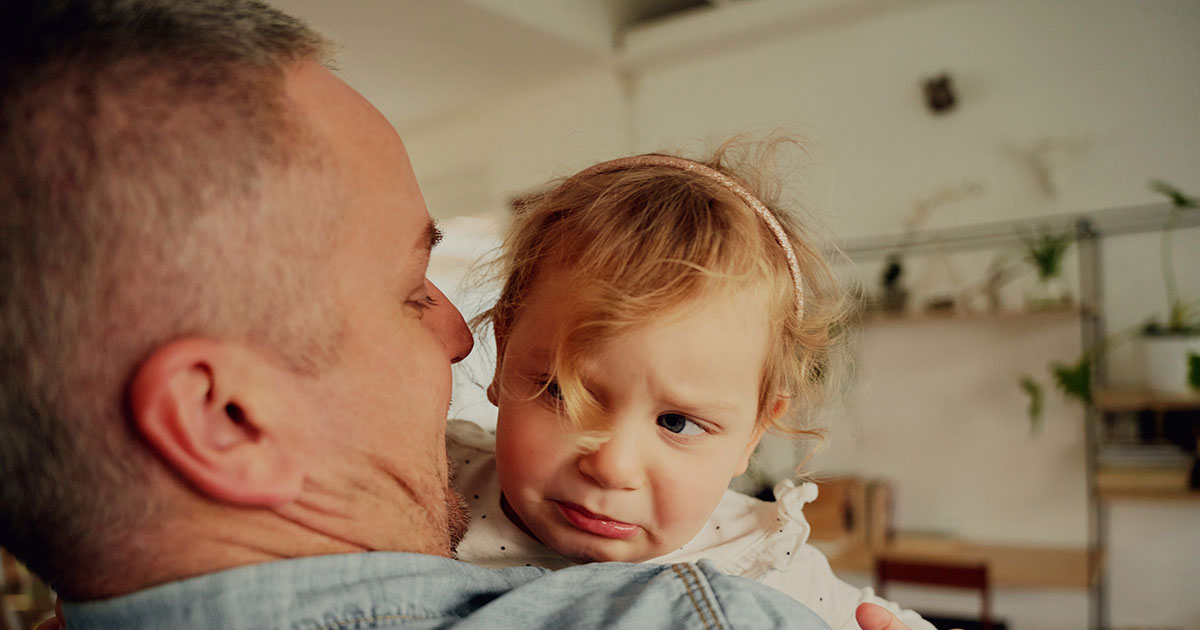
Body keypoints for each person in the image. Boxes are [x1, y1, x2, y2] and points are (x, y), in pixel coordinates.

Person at [0, 1, 921, 628]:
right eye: (413, 291)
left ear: (758, 426)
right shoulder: (696, 613)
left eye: (679, 421)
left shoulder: (764, 565)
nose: (455, 334)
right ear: (228, 416)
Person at [446, 147, 933, 630]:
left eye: (676, 423)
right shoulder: (440, 484)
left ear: (752, 434)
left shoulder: (763, 559)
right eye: (564, 394)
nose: (612, 467)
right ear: (503, 356)